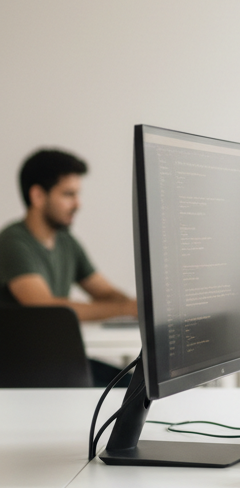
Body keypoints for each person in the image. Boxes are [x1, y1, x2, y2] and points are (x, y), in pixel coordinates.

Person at [0, 149, 138, 387]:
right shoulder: (13, 242)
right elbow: (45, 309)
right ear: (38, 195)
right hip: (24, 369)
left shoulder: (66, 241)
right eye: (68, 194)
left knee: (137, 387)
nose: (78, 204)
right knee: (131, 392)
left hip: (59, 361)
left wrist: (138, 309)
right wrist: (125, 308)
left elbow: (104, 292)